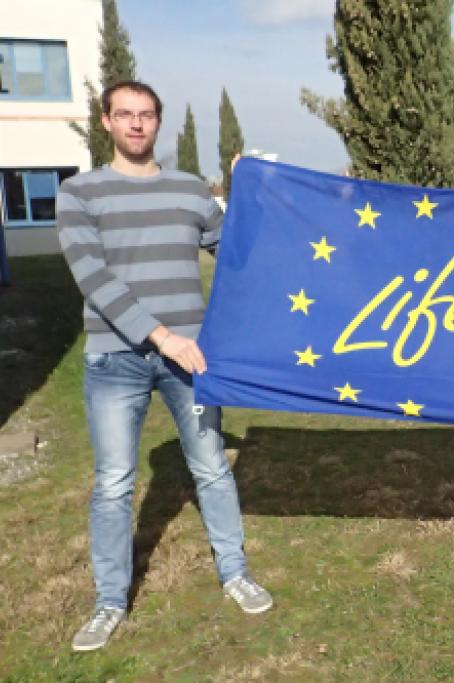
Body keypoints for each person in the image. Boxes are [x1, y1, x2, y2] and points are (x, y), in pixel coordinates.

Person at [58, 81, 272, 652]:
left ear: (158, 122)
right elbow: (94, 279)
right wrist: (161, 337)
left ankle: (235, 572)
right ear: (105, 121)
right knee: (113, 484)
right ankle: (109, 601)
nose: (136, 124)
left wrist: (246, 191)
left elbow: (237, 254)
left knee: (211, 469)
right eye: (124, 114)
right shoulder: (78, 193)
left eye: (146, 115)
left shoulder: (191, 191)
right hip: (115, 359)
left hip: (192, 360)